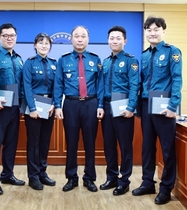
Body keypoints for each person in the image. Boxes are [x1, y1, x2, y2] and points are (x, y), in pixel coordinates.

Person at [132, 16, 182, 205]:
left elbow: (177, 79)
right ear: (146, 32)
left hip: (164, 105)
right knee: (147, 147)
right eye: (149, 30)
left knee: (167, 149)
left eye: (156, 29)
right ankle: (147, 182)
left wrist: (173, 106)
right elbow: (141, 83)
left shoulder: (172, 52)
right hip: (146, 105)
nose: (152, 33)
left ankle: (166, 188)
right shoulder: (144, 55)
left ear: (163, 31)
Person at [54, 26, 104, 193]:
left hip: (90, 104)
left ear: (88, 39)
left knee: (90, 143)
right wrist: (57, 105)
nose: (80, 39)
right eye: (77, 36)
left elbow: (100, 85)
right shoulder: (63, 60)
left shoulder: (95, 59)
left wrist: (100, 105)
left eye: (83, 36)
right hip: (70, 105)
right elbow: (58, 84)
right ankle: (71, 178)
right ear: (71, 39)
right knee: (71, 142)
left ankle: (89, 178)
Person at [99, 26, 139, 196]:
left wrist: (131, 108)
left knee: (125, 146)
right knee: (109, 145)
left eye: (118, 38)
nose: (114, 41)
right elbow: (101, 87)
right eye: (112, 38)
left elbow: (134, 86)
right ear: (108, 41)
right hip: (108, 106)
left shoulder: (131, 61)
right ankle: (112, 177)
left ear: (125, 41)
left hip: (123, 107)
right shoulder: (105, 62)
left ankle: (124, 181)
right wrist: (100, 106)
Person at [0, 23, 25, 196]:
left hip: (15, 108)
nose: (10, 38)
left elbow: (22, 85)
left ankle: (7, 174)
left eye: (12, 36)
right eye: (6, 35)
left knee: (11, 144)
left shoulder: (18, 58)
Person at [23, 33, 57, 190]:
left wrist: (55, 104)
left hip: (49, 107)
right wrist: (32, 108)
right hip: (34, 108)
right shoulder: (29, 63)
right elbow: (26, 87)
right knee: (33, 144)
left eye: (47, 43)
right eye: (41, 43)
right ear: (35, 45)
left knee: (44, 142)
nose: (44, 45)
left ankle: (43, 173)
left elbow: (57, 86)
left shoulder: (53, 64)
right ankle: (33, 176)